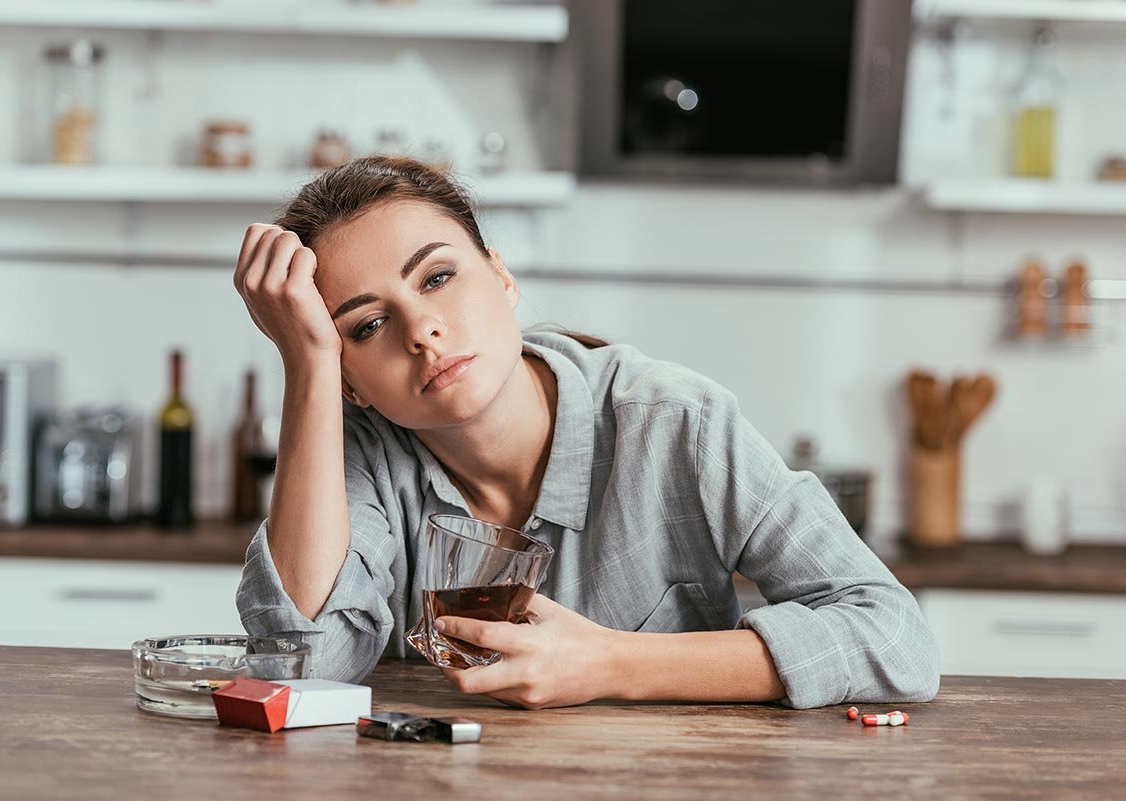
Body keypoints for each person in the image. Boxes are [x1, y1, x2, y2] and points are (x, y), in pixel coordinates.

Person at [232, 155, 940, 710]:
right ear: (349, 376)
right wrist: (307, 365)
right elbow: (302, 668)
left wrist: (611, 663)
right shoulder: (360, 458)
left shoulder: (674, 423)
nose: (422, 331)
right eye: (368, 325)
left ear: (501, 276)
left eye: (438, 277)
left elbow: (894, 637)